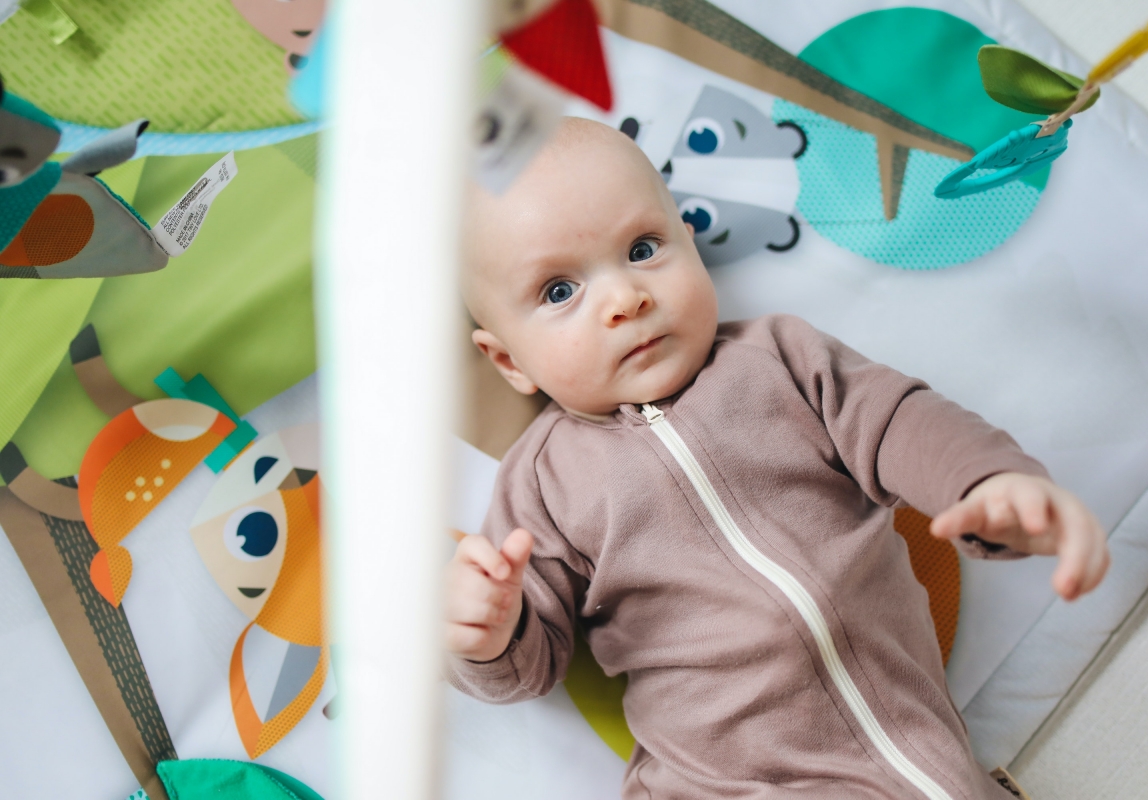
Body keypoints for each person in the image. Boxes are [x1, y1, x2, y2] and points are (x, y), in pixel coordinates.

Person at [445, 117, 1109, 799]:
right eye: (560, 292)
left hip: (916, 759)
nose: (625, 298)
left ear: (688, 240)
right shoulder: (542, 484)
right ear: (507, 360)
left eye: (644, 248)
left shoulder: (780, 361)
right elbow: (531, 662)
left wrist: (988, 479)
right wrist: (489, 631)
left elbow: (899, 422)